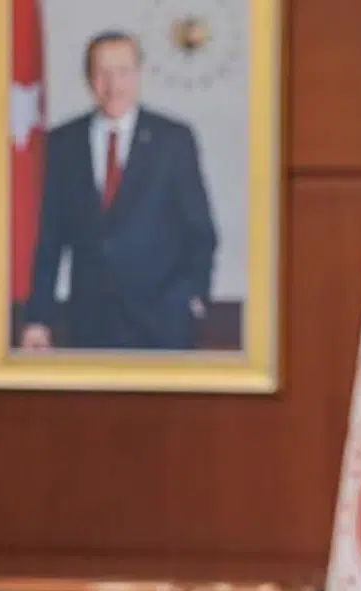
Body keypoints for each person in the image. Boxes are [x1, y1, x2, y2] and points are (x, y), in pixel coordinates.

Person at [21, 30, 217, 351]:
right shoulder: (62, 144)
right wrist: (38, 319)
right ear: (88, 78)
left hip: (163, 324)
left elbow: (200, 231)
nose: (113, 85)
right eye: (103, 73)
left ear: (139, 74)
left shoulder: (173, 140)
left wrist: (193, 298)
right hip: (90, 324)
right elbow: (49, 239)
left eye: (123, 72)